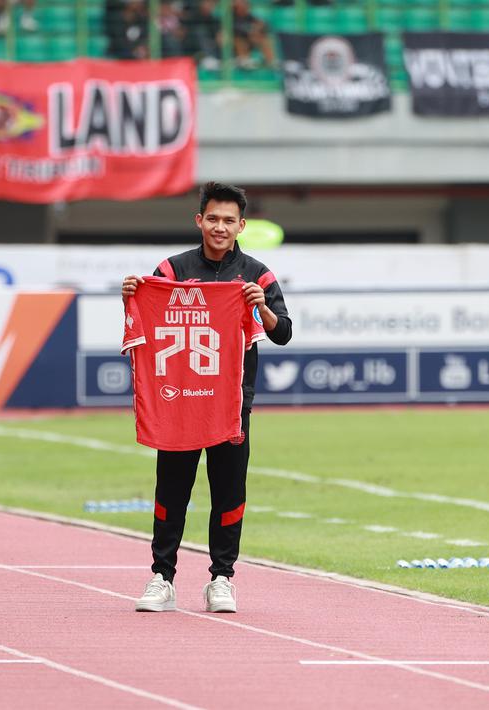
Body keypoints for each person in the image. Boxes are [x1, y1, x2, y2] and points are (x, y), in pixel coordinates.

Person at [121, 182, 292, 613]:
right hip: (179, 400)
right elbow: (149, 309)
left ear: (241, 226)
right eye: (212, 218)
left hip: (232, 403)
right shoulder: (172, 269)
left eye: (228, 221)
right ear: (199, 220)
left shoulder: (256, 274)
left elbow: (284, 332)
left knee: (229, 491)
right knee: (172, 489)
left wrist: (261, 309)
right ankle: (162, 577)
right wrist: (133, 296)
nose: (220, 227)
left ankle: (222, 578)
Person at [232, 0, 276, 69]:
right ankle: (244, 61)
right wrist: (250, 31)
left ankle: (271, 62)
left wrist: (258, 28)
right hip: (235, 43)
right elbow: (234, 30)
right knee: (239, 41)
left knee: (264, 39)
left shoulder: (249, 17)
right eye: (240, 3)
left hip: (250, 41)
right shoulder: (230, 17)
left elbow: (264, 26)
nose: (243, 6)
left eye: (245, 3)